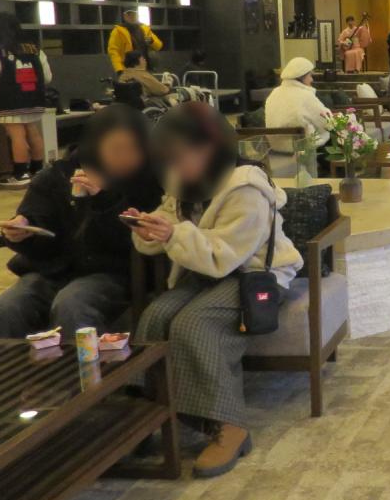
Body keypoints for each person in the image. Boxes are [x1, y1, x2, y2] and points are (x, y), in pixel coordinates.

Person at [127, 101, 302, 478]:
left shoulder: (246, 188)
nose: (175, 166)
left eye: (181, 156)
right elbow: (171, 222)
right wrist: (151, 229)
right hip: (206, 271)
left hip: (253, 275)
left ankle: (229, 426)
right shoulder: (183, 182)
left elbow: (225, 255)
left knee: (195, 323)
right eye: (170, 157)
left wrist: (172, 235)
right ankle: (152, 414)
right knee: (155, 316)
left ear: (210, 148)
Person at [0, 104, 162, 342]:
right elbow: (36, 217)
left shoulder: (150, 180)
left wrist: (104, 199)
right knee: (7, 307)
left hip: (113, 273)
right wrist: (23, 228)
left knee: (72, 304)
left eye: (134, 149)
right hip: (52, 269)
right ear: (96, 145)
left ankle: (84, 367)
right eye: (116, 149)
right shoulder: (62, 172)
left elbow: (135, 240)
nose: (125, 157)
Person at [0, 12, 52, 187]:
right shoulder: (34, 47)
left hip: (8, 99)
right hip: (34, 97)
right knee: (32, 131)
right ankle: (38, 170)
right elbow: (47, 76)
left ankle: (20, 173)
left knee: (16, 135)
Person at [265, 57, 332, 151]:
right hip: (302, 148)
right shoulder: (304, 95)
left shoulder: (274, 93)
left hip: (276, 147)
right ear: (301, 77)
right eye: (310, 76)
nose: (312, 79)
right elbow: (325, 122)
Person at [108, 8, 163, 73]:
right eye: (129, 14)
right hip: (129, 69)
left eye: (134, 14)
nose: (132, 16)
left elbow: (159, 46)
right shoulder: (118, 31)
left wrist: (152, 41)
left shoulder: (145, 29)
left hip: (146, 68)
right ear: (125, 16)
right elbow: (113, 51)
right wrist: (119, 69)